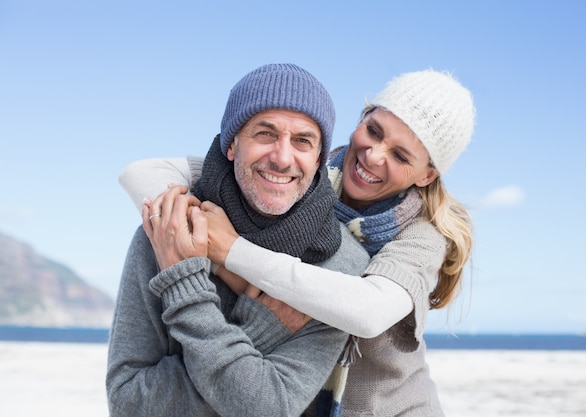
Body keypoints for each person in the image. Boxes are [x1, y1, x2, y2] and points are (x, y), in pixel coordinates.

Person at [122, 69, 476, 416]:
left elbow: (366, 313)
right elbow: (142, 174)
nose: (374, 155)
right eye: (373, 131)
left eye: (400, 156)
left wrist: (230, 256)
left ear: (427, 175)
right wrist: (182, 221)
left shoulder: (419, 236)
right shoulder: (308, 176)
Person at [106, 63, 370, 417]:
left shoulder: (341, 268)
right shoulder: (167, 232)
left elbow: (269, 408)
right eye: (265, 133)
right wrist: (263, 333)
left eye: (303, 141)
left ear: (320, 159)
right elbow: (128, 403)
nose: (282, 157)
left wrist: (185, 287)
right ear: (231, 144)